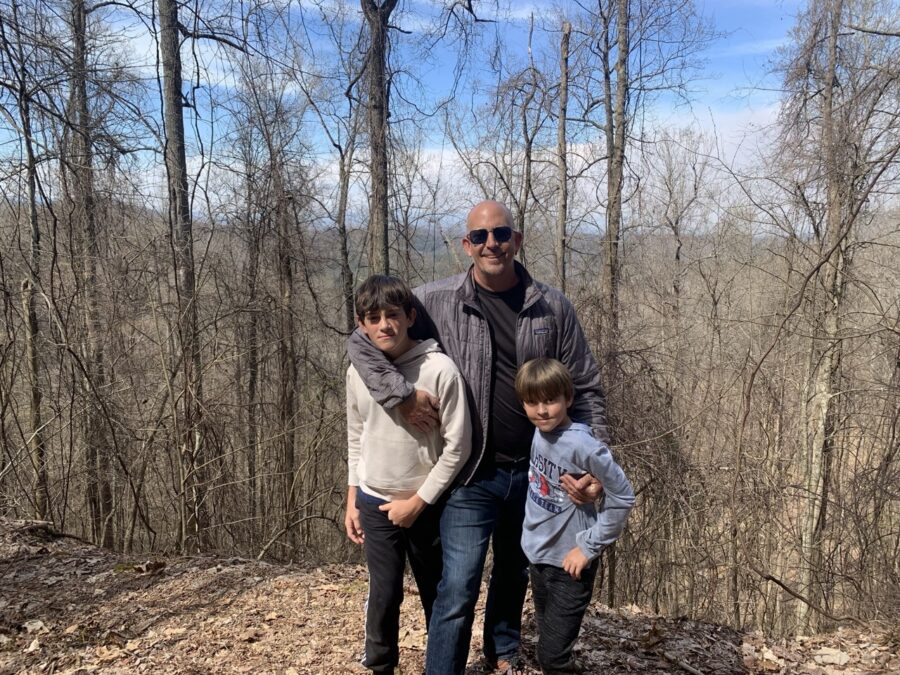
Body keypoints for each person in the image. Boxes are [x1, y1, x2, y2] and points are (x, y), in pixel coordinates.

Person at [347, 201, 608, 675]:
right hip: (470, 473)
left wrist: (591, 464)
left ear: (517, 240)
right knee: (458, 584)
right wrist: (399, 396)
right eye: (481, 236)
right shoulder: (435, 301)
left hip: (538, 471)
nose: (493, 244)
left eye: (501, 234)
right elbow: (363, 339)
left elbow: (585, 387)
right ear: (467, 245)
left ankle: (502, 651)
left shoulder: (552, 307)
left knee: (514, 569)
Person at [345, 274, 471, 675]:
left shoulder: (440, 371)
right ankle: (380, 665)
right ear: (361, 324)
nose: (385, 325)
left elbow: (458, 447)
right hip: (373, 499)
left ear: (410, 316)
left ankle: (442, 666)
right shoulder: (358, 373)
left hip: (426, 503)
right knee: (384, 594)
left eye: (393, 315)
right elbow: (355, 435)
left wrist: (419, 502)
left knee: (438, 594)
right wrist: (352, 496)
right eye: (374, 317)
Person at [515, 358, 634, 674]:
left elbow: (623, 496)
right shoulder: (540, 433)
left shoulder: (584, 445)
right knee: (552, 648)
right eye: (532, 402)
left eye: (550, 401)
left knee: (551, 656)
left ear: (568, 399)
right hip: (539, 556)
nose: (542, 410)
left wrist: (589, 547)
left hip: (571, 562)